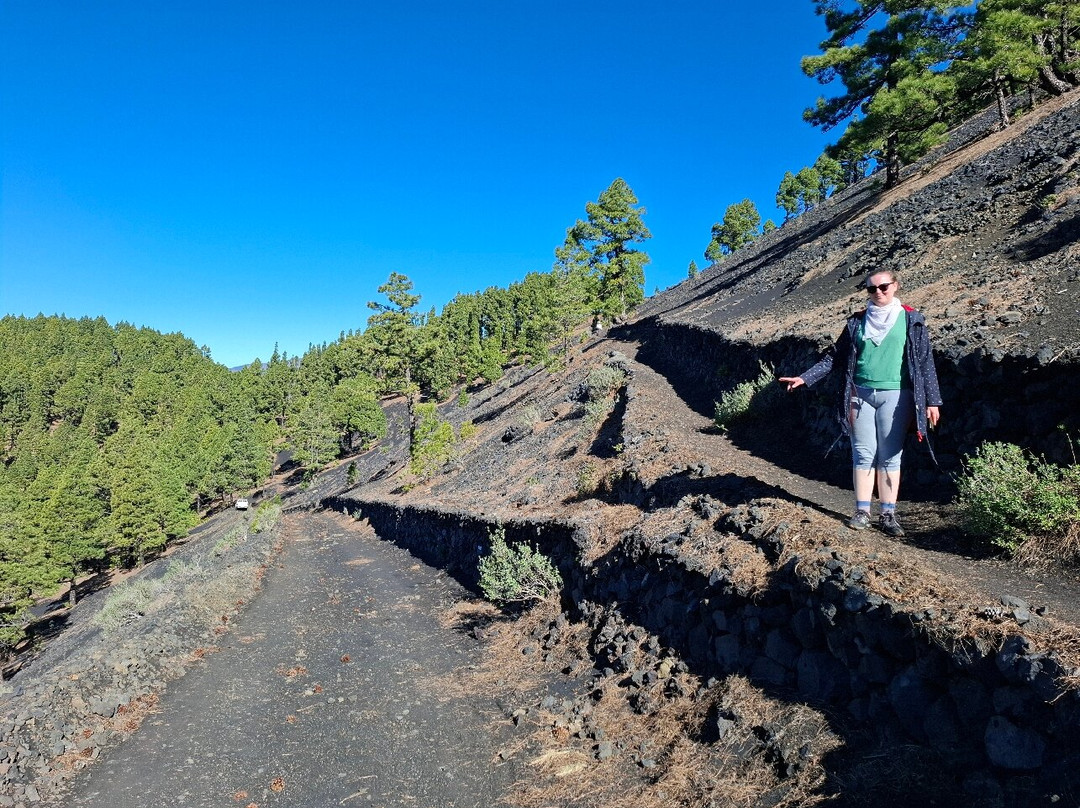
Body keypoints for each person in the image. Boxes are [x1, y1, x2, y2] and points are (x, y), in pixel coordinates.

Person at [778, 270, 941, 537]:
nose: (878, 292)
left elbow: (924, 362)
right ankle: (862, 511)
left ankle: (888, 514)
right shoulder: (856, 322)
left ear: (895, 286)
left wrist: (932, 401)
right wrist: (805, 378)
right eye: (872, 289)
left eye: (884, 287)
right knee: (864, 454)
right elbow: (834, 357)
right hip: (859, 395)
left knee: (890, 456)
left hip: (897, 396)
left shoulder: (912, 320)